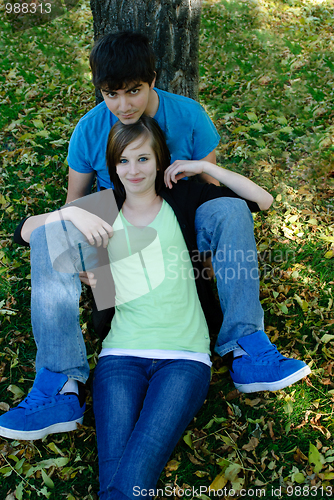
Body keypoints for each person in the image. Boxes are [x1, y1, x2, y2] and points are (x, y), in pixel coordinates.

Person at [0, 32, 310, 442]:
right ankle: (60, 384)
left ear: (153, 81)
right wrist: (81, 258)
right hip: (115, 230)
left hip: (180, 220)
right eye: (111, 94)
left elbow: (215, 196)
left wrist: (200, 260)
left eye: (134, 91)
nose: (123, 105)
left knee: (231, 208)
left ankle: (246, 345)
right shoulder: (92, 138)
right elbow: (67, 211)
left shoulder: (188, 117)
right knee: (51, 235)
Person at [5, 116, 279, 497]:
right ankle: (60, 388)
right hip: (120, 357)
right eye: (123, 161)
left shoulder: (183, 198)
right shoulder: (101, 207)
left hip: (185, 360)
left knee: (135, 470)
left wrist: (204, 168)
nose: (133, 170)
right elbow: (25, 231)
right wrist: (68, 212)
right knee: (118, 480)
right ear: (113, 166)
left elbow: (261, 201)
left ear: (160, 161)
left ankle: (248, 348)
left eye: (143, 159)